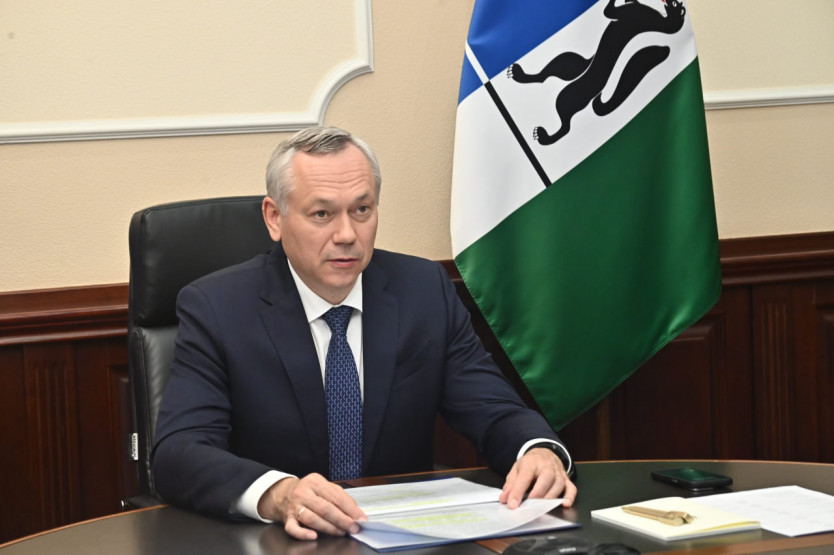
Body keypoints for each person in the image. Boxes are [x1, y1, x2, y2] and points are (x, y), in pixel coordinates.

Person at [152, 126, 577, 541]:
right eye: (322, 214)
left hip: (405, 539)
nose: (347, 235)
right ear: (275, 218)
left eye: (362, 210)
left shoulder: (423, 291)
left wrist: (536, 450)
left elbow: (492, 407)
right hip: (282, 542)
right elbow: (179, 452)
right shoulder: (218, 308)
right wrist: (278, 494)